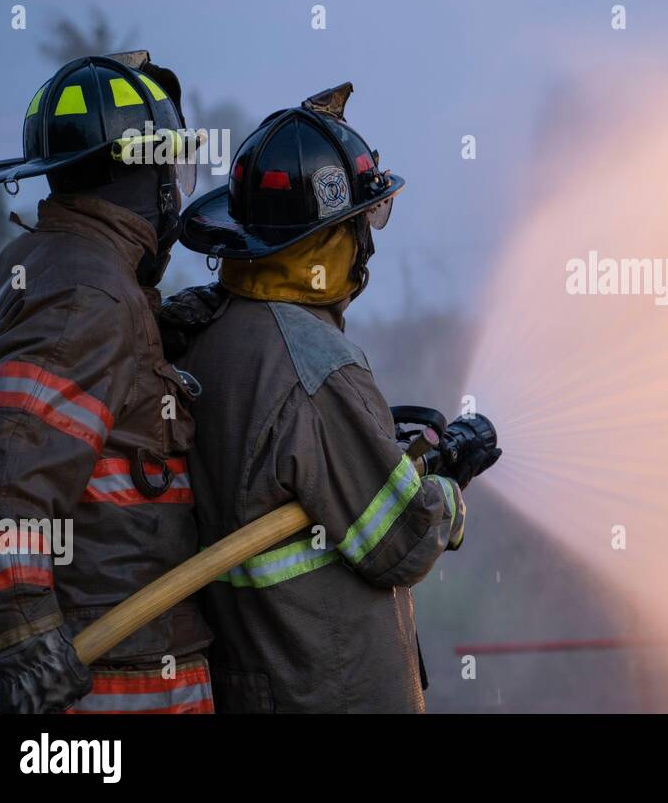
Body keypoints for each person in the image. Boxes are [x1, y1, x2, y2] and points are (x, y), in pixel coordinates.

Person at [162, 82, 499, 712]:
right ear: (328, 240)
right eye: (360, 225)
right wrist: (450, 491)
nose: (366, 244)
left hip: (259, 683)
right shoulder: (313, 366)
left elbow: (305, 476)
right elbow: (398, 538)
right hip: (331, 690)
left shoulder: (212, 336)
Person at [0, 52, 213, 713]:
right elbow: (5, 468)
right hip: (109, 684)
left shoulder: (36, 267)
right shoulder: (90, 297)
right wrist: (25, 637)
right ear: (156, 176)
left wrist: (164, 333)